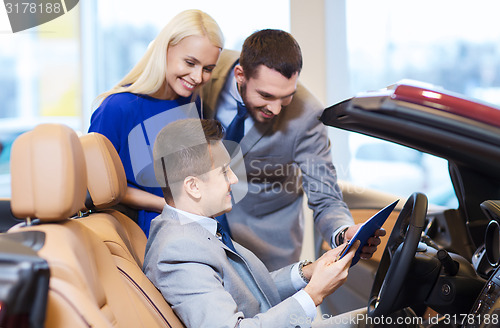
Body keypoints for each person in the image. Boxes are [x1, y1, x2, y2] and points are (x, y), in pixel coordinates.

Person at [144, 118, 371, 327]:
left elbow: (246, 290)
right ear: (193, 186)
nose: (233, 179)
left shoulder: (192, 228)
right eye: (224, 171)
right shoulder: (179, 250)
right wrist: (314, 294)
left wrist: (309, 272)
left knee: (386, 317)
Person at [202, 29, 385, 271]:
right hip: (201, 232)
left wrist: (343, 232)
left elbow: (325, 195)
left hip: (268, 250)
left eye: (286, 97)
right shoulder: (207, 70)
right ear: (240, 75)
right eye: (265, 95)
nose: (276, 109)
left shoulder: (308, 116)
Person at [88, 9, 223, 236]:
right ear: (165, 49)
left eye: (208, 69)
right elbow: (97, 188)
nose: (198, 77)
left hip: (188, 230)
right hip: (139, 235)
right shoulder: (117, 107)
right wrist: (168, 205)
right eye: (190, 62)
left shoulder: (192, 102)